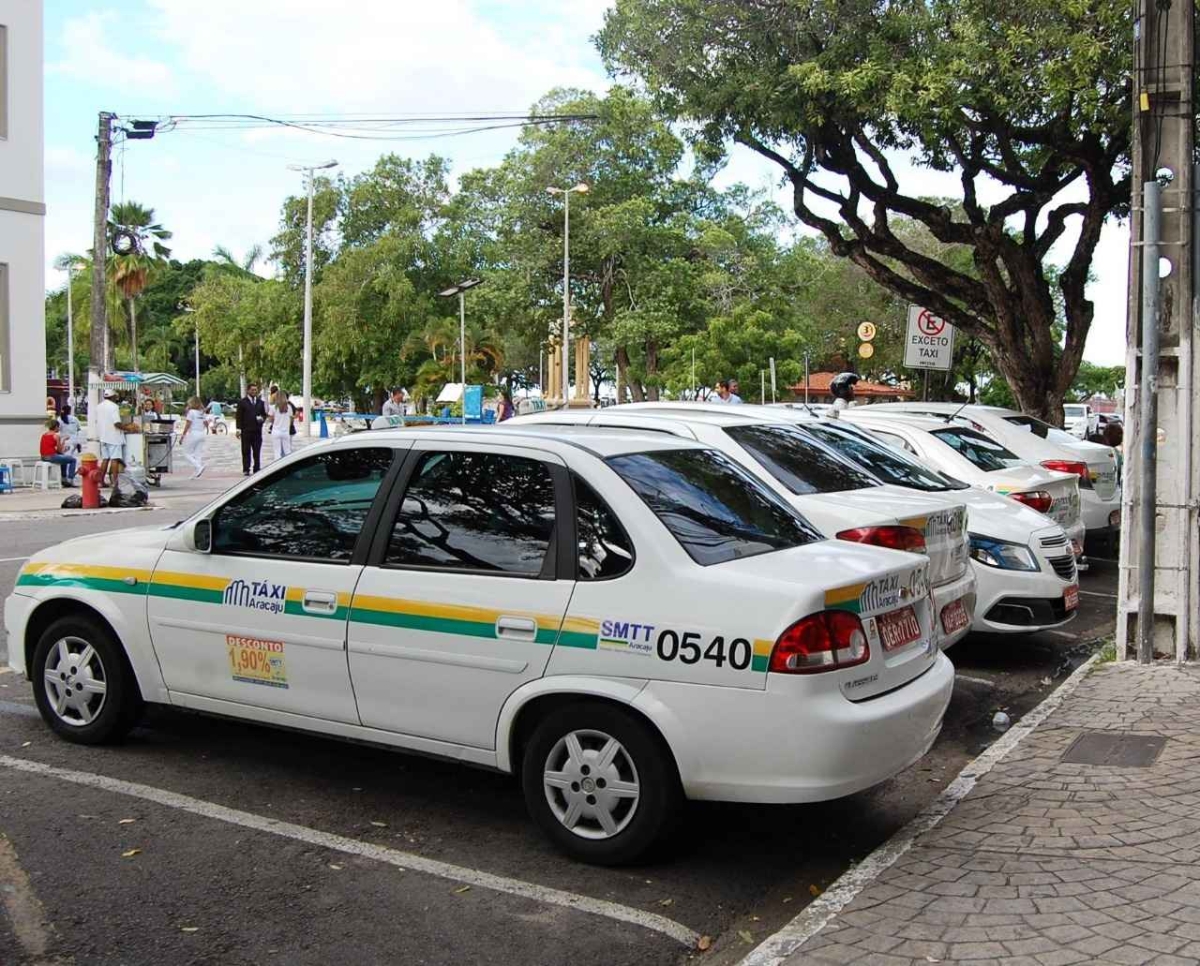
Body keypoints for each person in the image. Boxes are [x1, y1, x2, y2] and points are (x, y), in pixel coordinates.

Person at [235, 383, 268, 475]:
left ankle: (257, 468)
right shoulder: (242, 402)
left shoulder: (260, 402)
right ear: (248, 390)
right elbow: (239, 416)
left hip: (257, 431)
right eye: (253, 390)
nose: (254, 391)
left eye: (255, 390)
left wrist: (262, 418)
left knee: (257, 451)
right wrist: (238, 429)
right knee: (246, 450)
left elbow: (264, 414)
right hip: (246, 431)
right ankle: (246, 469)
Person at [97, 388, 126, 486]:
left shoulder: (99, 406)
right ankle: (115, 482)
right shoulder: (114, 407)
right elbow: (117, 423)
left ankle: (101, 481)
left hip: (103, 436)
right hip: (113, 437)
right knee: (115, 459)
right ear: (113, 397)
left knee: (105, 459)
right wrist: (126, 428)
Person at [40, 419, 77, 486]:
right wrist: (64, 441)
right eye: (58, 427)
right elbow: (60, 450)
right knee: (73, 460)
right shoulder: (56, 436)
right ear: (56, 427)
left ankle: (64, 479)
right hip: (51, 457)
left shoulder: (44, 435)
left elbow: (53, 449)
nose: (59, 428)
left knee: (63, 458)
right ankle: (70, 479)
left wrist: (62, 449)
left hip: (43, 457)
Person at [179, 395, 207, 478]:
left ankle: (199, 466)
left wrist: (183, 436)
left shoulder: (191, 412)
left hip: (194, 433)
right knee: (197, 453)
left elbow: (188, 424)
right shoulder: (202, 412)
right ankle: (197, 471)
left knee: (186, 453)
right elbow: (206, 423)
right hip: (202, 433)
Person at [268, 388, 293, 462]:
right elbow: (291, 420)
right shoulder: (289, 407)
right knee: (287, 451)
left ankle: (277, 467)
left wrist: (276, 423)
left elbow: (271, 419)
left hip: (276, 431)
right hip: (285, 432)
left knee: (277, 452)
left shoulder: (273, 407)